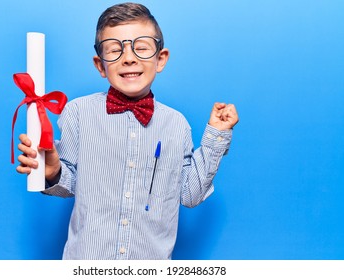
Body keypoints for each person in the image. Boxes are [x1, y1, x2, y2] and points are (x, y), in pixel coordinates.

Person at [16, 2, 239, 260]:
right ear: (100, 65)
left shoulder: (177, 125)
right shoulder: (78, 113)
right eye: (114, 50)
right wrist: (54, 171)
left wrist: (216, 137)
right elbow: (70, 184)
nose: (129, 57)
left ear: (161, 59)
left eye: (141, 47)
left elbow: (191, 194)